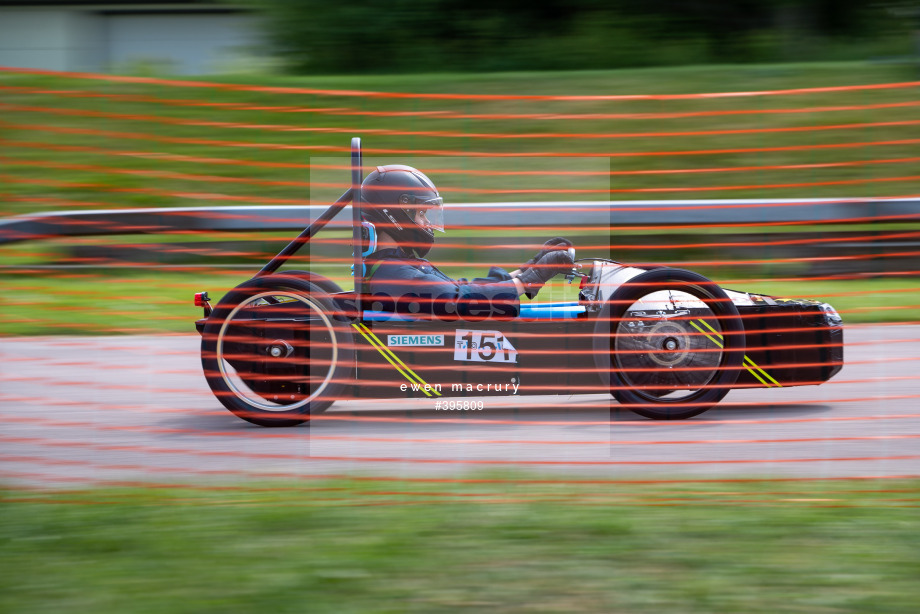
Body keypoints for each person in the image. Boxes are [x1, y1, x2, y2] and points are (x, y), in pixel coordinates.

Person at [358, 164, 574, 319]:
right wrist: (527, 281)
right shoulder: (395, 273)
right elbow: (458, 301)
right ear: (398, 212)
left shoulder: (396, 265)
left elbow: (458, 288)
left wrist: (525, 271)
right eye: (421, 213)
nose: (426, 222)